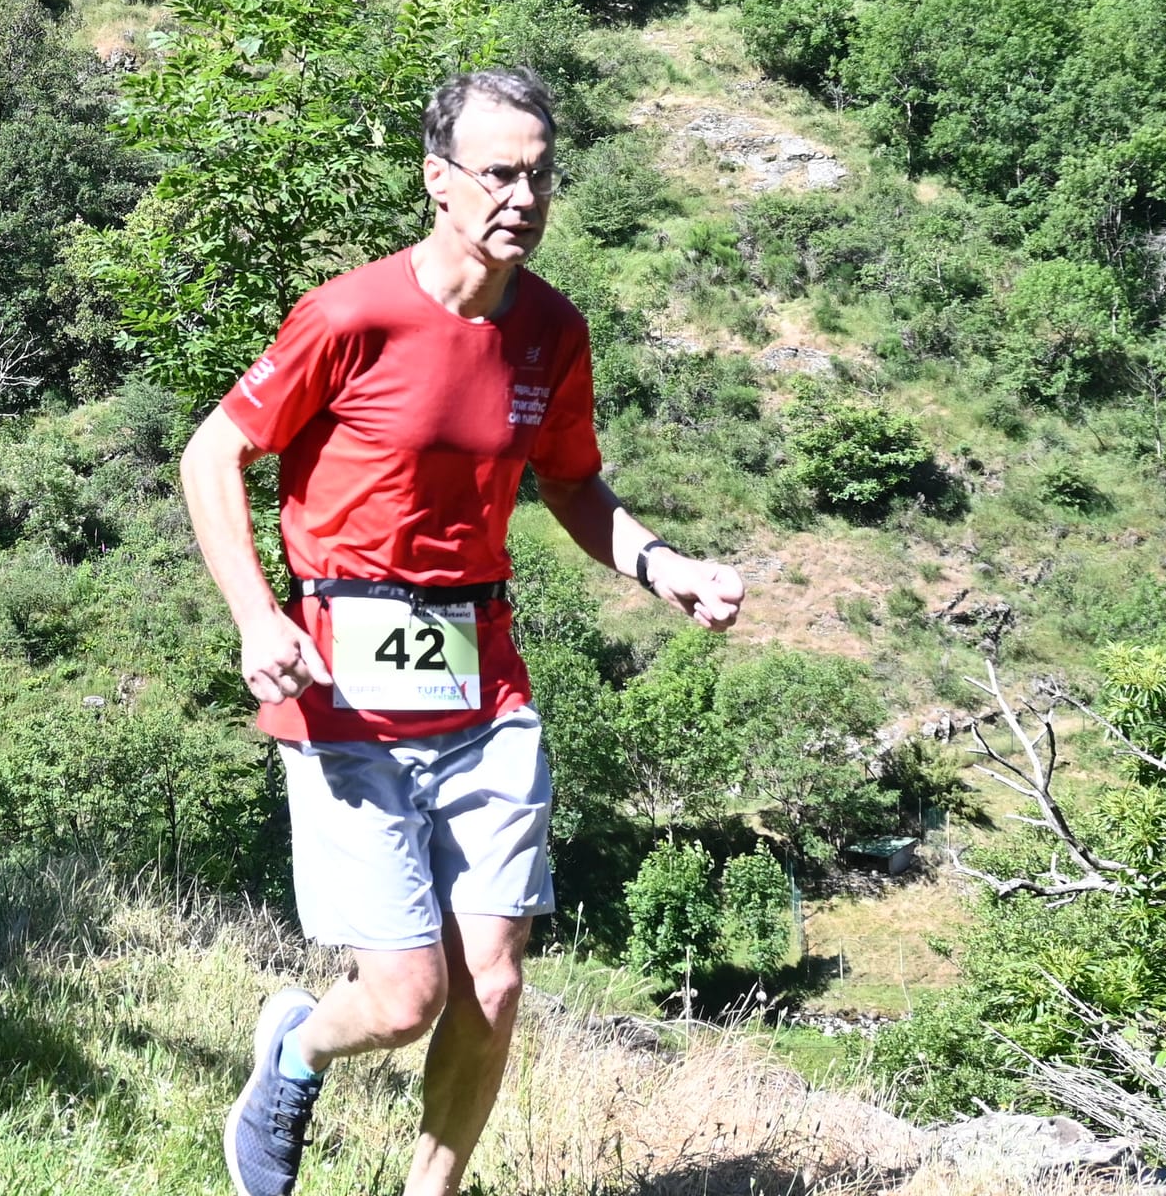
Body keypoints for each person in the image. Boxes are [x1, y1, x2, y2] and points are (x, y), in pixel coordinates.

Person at [179, 66, 747, 1196]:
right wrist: (255, 615)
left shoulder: (552, 330)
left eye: (539, 174)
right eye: (498, 174)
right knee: (404, 998)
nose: (522, 197)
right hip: (341, 689)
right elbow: (213, 451)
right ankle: (292, 1052)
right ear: (438, 180)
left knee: (492, 981)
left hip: (483, 689)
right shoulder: (350, 315)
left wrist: (662, 565)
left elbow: (571, 483)